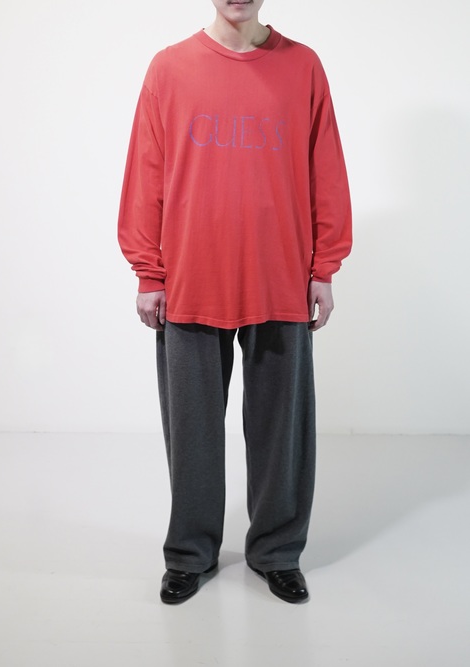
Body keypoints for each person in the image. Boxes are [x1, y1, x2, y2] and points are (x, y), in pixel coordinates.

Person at [118, 0, 352, 605]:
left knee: (281, 430)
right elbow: (146, 172)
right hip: (192, 275)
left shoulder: (302, 67)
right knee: (192, 431)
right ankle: (190, 553)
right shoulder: (169, 69)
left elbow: (326, 169)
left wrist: (324, 267)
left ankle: (277, 551)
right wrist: (149, 272)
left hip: (280, 274)